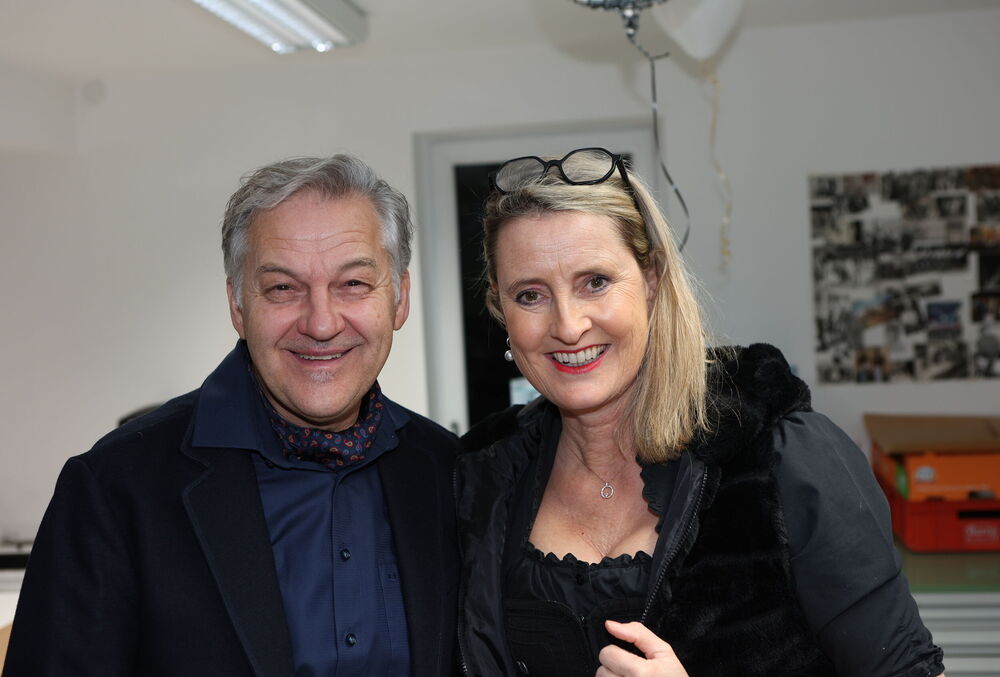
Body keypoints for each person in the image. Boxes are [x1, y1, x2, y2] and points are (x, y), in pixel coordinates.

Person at [454, 148, 946, 677]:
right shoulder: (481, 478)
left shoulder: (780, 453)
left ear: (651, 279)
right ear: (500, 309)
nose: (569, 326)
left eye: (595, 282)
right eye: (530, 295)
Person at [3, 156, 460, 676]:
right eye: (283, 288)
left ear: (399, 298)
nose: (321, 323)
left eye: (353, 283)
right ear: (238, 306)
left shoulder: (450, 471)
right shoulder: (114, 488)